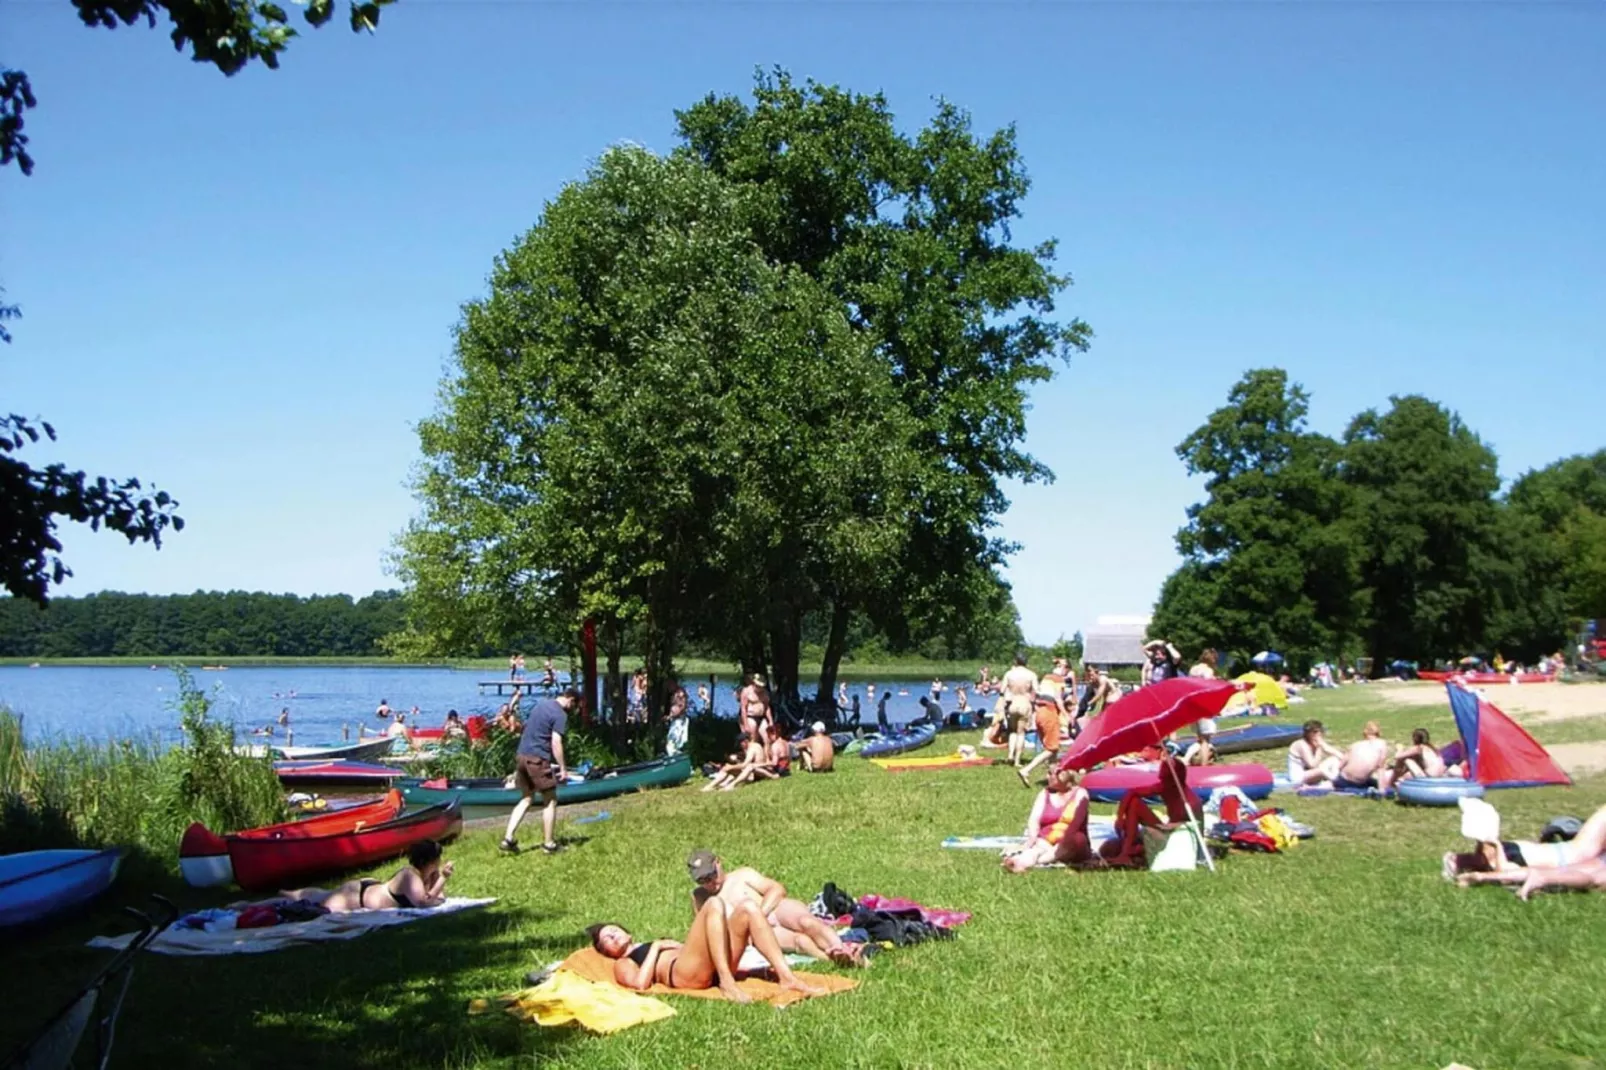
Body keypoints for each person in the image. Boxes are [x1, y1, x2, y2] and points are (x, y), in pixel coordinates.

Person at [587, 897, 825, 1002]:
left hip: (701, 963)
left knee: (749, 908)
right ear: (607, 952)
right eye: (606, 938)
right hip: (683, 975)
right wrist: (657, 947)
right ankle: (726, 982)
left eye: (613, 929)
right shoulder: (624, 961)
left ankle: (787, 978)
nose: (612, 934)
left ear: (627, 931)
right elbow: (639, 984)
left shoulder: (646, 943)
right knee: (712, 904)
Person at [687, 850, 864, 967]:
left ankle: (840, 947)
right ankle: (833, 960)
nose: (710, 883)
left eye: (711, 876)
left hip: (773, 908)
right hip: (756, 931)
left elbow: (777, 889)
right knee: (799, 941)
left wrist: (760, 913)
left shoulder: (742, 875)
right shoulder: (700, 897)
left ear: (718, 863)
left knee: (806, 922)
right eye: (702, 880)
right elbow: (706, 931)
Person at [1446, 804, 1606, 900]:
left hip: (1574, 855)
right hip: (1575, 853)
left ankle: (1484, 877)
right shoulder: (1499, 856)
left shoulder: (1497, 855)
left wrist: (1486, 873)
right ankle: (1540, 878)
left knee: (1592, 876)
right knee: (1593, 877)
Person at [500, 688, 577, 855]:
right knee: (550, 800)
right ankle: (549, 845)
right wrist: (563, 768)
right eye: (574, 704)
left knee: (527, 798)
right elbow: (556, 742)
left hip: (522, 756)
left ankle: (508, 838)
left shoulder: (541, 706)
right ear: (570, 699)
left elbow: (528, 729)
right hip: (537, 759)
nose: (573, 708)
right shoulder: (560, 714)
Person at [278, 840, 452, 912]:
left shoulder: (426, 876)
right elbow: (423, 903)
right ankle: (273, 900)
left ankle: (286, 894)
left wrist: (438, 879)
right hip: (357, 897)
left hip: (366, 890)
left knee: (320, 895)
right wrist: (443, 878)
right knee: (311, 904)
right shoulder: (410, 875)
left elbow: (438, 899)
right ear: (432, 859)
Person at [1016, 684, 1066, 785]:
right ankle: (1026, 770)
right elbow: (1058, 700)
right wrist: (1067, 715)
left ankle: (1053, 777)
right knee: (1051, 748)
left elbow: (1032, 698)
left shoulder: (1043, 684)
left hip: (1039, 714)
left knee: (1053, 751)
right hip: (1049, 714)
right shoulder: (1058, 683)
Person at [1377, 728, 1447, 794]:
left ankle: (1391, 784)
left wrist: (1399, 749)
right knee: (1412, 760)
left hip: (1428, 778)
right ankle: (1396, 781)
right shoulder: (1433, 749)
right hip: (1439, 777)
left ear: (1415, 738)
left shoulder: (1419, 748)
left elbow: (1397, 756)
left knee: (1406, 760)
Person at [1000, 654, 1039, 768]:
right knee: (1021, 733)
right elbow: (1037, 690)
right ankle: (1017, 760)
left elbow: (1002, 690)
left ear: (1016, 661)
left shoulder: (1009, 673)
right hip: (1024, 703)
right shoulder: (1031, 674)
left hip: (1013, 703)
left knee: (1012, 731)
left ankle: (1010, 755)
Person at [1287, 720, 1346, 787]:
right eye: (1315, 732)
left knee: (1335, 759)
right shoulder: (1301, 744)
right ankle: (1337, 781)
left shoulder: (1315, 742)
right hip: (1298, 777)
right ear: (1308, 733)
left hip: (1310, 773)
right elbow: (1312, 765)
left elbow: (1333, 752)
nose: (1318, 734)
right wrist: (1319, 748)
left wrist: (1345, 759)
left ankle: (1337, 777)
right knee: (1321, 771)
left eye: (1320, 731)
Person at [1335, 720, 1389, 789]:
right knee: (1374, 782)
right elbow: (1380, 768)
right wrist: (1382, 790)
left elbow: (1340, 766)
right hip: (1358, 783)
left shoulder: (1355, 745)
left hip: (1342, 781)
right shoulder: (1382, 744)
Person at [666, 687, 690, 757]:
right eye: (677, 696)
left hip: (679, 722)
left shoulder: (681, 704)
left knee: (673, 744)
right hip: (676, 722)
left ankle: (677, 760)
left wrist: (671, 716)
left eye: (682, 697)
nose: (680, 698)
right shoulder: (674, 703)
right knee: (671, 744)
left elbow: (679, 711)